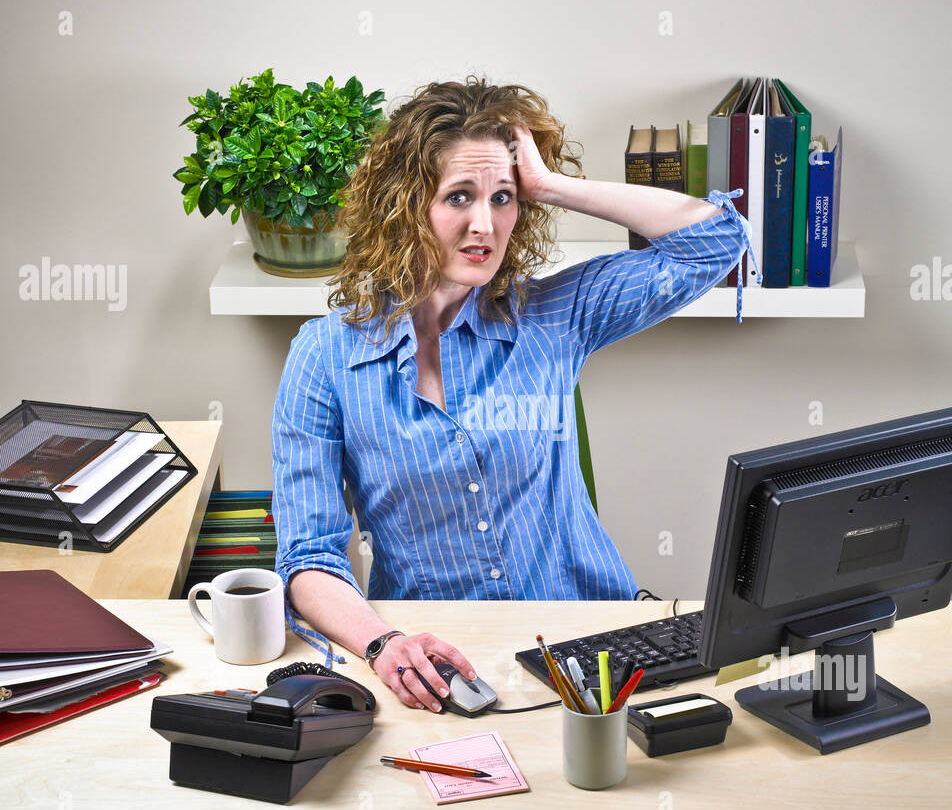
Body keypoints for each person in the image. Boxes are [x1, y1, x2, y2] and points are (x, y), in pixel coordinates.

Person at [271, 76, 757, 711]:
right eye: (459, 197)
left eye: (503, 198)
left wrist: (552, 185)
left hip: (591, 643)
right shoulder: (324, 357)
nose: (485, 225)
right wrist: (381, 643)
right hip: (443, 663)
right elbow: (308, 556)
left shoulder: (554, 314)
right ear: (403, 206)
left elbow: (717, 241)